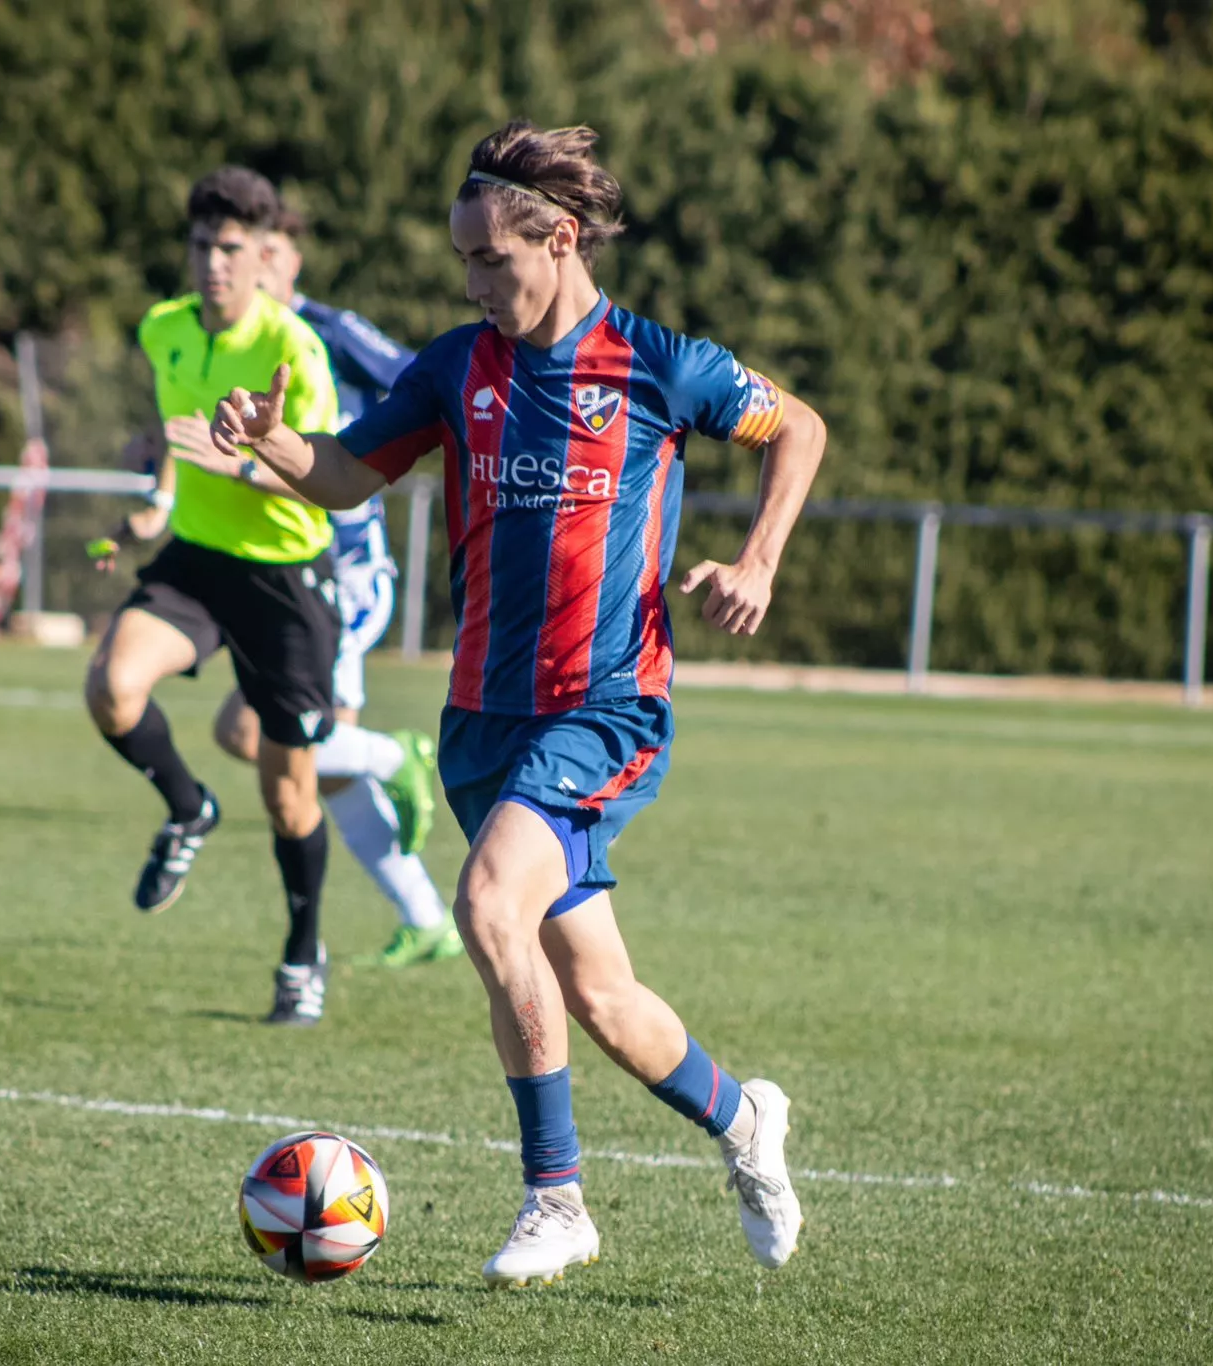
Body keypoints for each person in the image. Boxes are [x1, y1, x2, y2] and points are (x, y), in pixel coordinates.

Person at [208, 122, 828, 1283]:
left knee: (488, 906)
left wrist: (758, 560)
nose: (472, 282)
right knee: (596, 993)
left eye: (490, 259)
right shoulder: (453, 368)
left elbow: (799, 425)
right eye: (461, 262)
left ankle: (557, 1200)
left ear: (559, 238)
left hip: (605, 709)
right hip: (479, 723)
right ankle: (747, 1122)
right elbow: (348, 472)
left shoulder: (656, 363)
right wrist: (276, 443)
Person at [83, 165, 342, 1026]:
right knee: (112, 689)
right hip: (198, 557)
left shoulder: (293, 351)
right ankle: (188, 808)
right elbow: (173, 433)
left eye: (232, 249)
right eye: (202, 246)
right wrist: (157, 500)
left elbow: (326, 483)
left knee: (287, 796)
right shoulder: (163, 330)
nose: (214, 264)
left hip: (285, 580)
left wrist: (236, 461)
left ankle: (303, 953)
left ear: (265, 253)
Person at [172, 210, 462, 969]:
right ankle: (427, 916)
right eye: (236, 250)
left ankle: (392, 757)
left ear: (292, 259)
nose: (247, 266)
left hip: (344, 574)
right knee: (316, 769)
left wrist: (360, 448)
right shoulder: (236, 337)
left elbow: (423, 381)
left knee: (252, 733)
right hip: (289, 573)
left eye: (264, 251)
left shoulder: (325, 331)